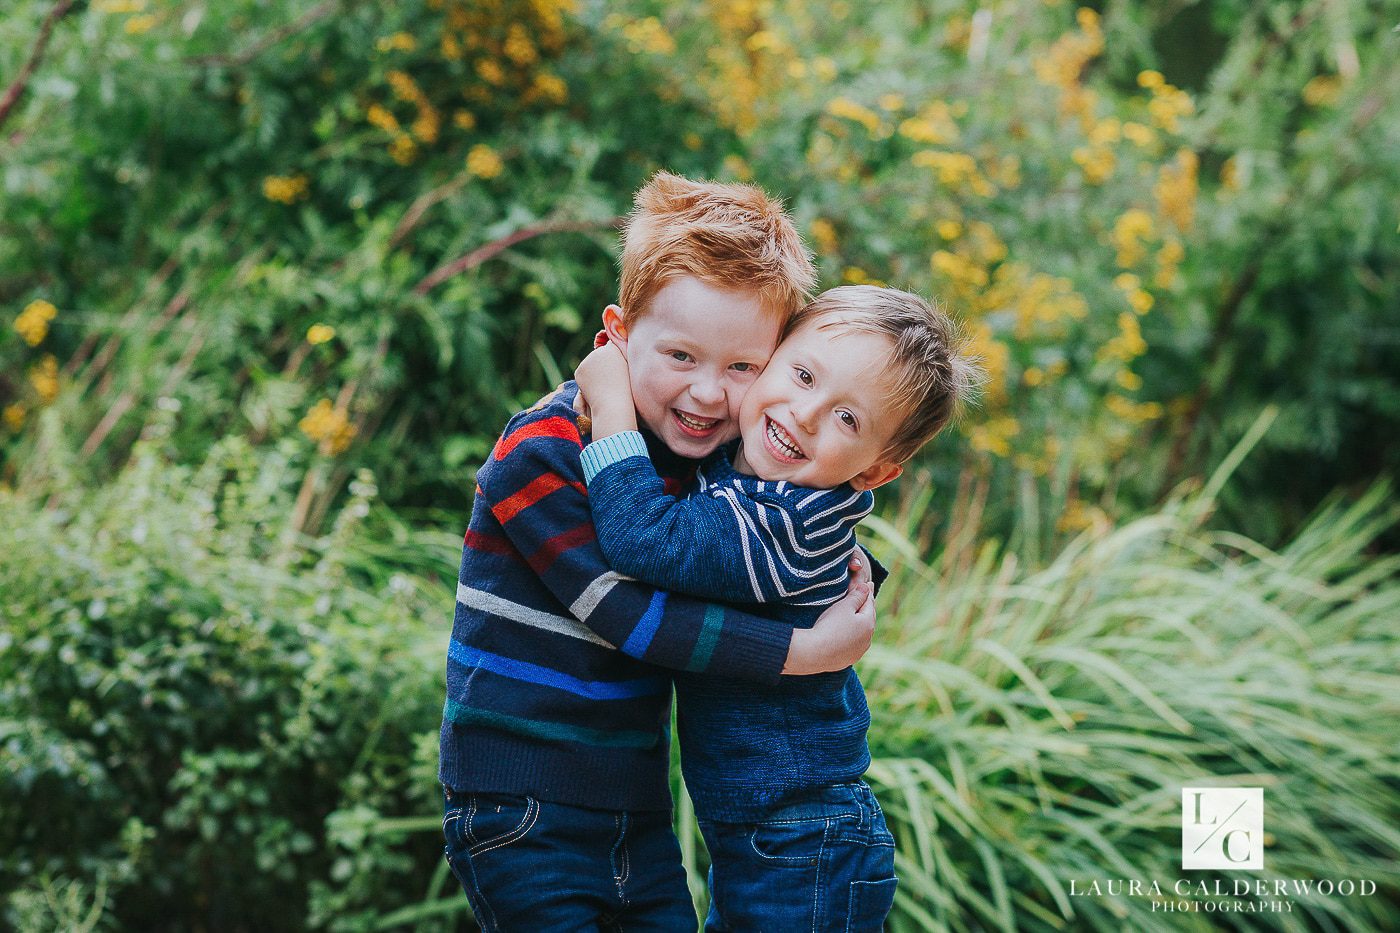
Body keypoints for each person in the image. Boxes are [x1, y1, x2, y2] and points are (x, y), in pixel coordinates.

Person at [439, 173, 880, 931]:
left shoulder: (693, 463)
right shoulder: (542, 451)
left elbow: (760, 550)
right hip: (522, 805)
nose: (709, 395)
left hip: (637, 807)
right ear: (617, 333)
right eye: (681, 355)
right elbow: (631, 615)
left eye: (743, 367)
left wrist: (850, 566)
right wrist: (804, 650)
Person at [574, 284, 981, 932]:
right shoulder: (756, 479)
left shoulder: (784, 522)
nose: (805, 413)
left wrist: (613, 400)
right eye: (802, 373)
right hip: (770, 836)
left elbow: (644, 539)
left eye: (848, 418)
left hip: (802, 844)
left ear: (874, 471)